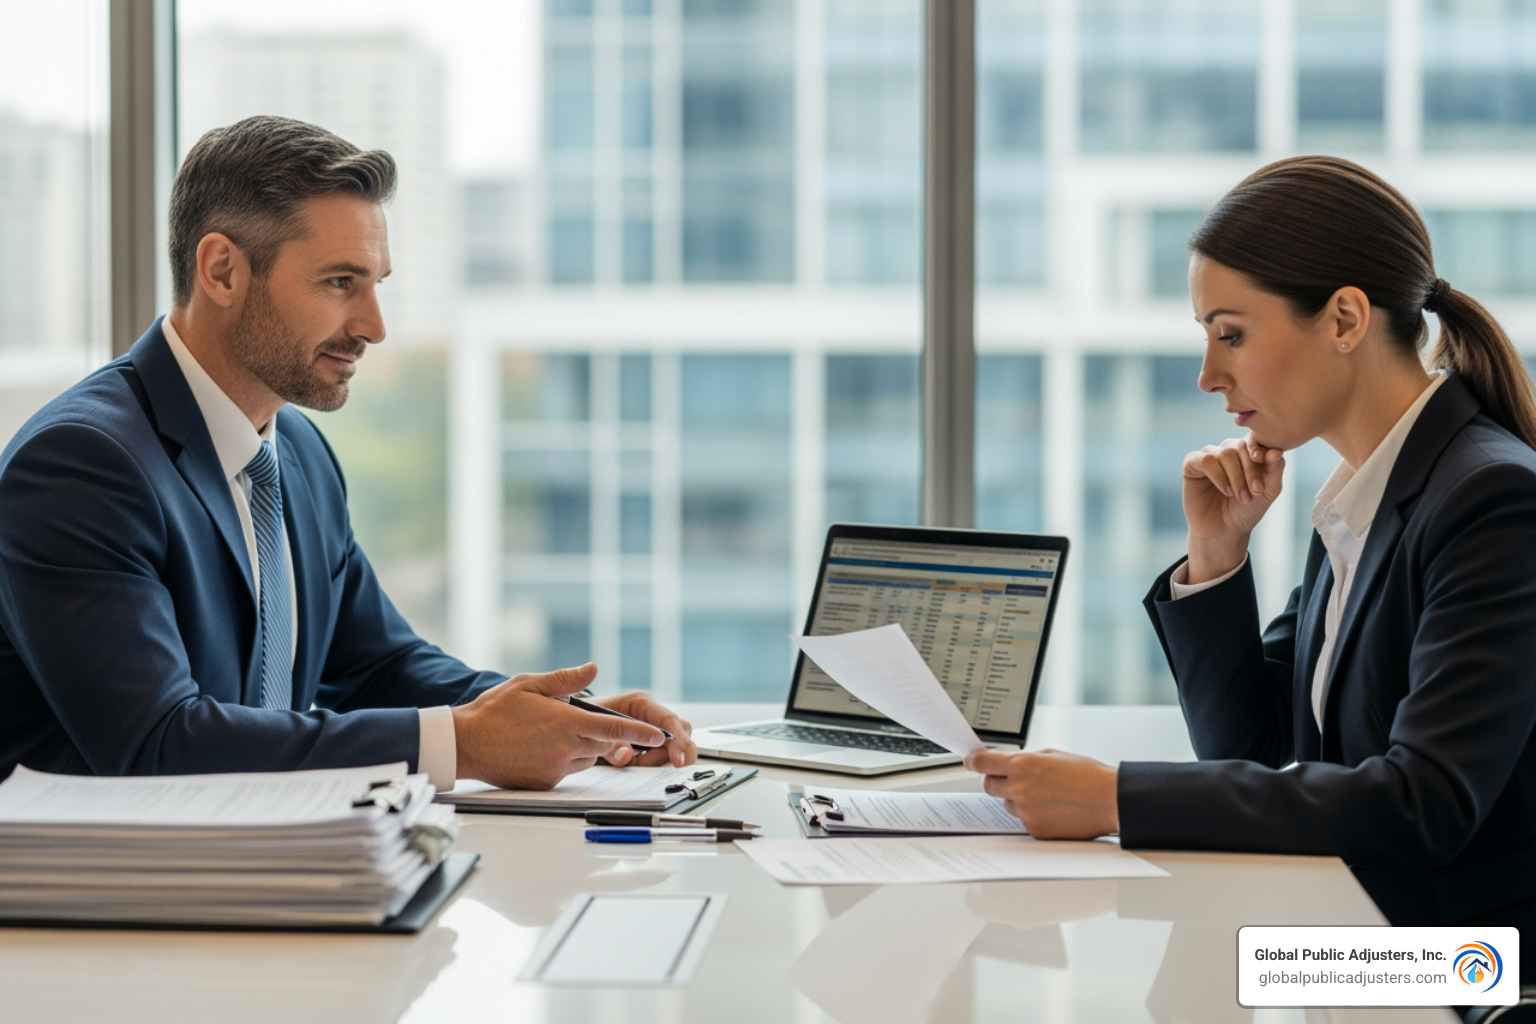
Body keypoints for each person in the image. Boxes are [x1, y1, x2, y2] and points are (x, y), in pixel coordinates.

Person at [0, 115, 695, 789]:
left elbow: (376, 664)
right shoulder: (82, 465)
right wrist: (461, 744)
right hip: (100, 895)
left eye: (375, 284)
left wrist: (575, 725)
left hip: (254, 868)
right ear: (221, 271)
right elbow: (155, 743)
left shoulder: (295, 451)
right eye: (340, 283)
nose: (373, 326)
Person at [969, 155, 1536, 974]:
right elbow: (1257, 748)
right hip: (1345, 938)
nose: (1209, 376)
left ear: (1345, 319)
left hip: (1455, 966)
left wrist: (1113, 796)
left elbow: (1424, 804)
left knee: (1148, 974)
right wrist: (1217, 554)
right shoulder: (1365, 495)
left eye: (1231, 335)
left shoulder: (1490, 499)